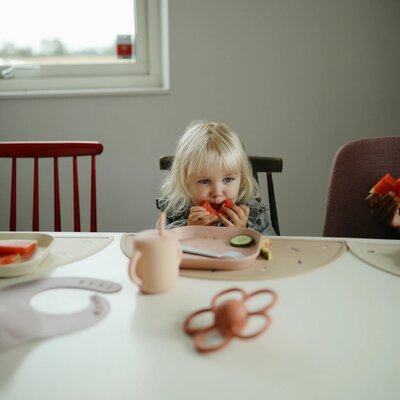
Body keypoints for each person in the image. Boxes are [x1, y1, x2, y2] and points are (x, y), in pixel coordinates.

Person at [157, 121, 276, 236]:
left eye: (228, 179)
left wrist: (243, 233)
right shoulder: (174, 211)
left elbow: (272, 250)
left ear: (242, 178)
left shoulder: (255, 215)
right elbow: (159, 247)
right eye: (205, 181)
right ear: (185, 182)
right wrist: (188, 230)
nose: (217, 193)